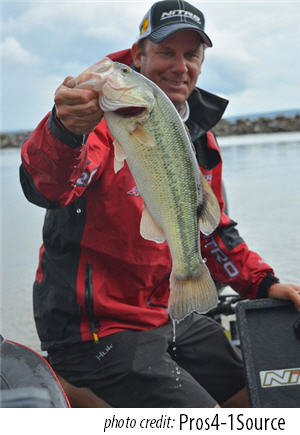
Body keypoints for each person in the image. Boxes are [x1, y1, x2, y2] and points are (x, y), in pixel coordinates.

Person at [20, 0, 300, 408]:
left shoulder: (199, 135)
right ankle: (72, 387)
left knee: (257, 393)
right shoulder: (92, 122)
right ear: (139, 55)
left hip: (169, 311)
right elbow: (48, 188)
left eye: (191, 55)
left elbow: (211, 229)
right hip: (98, 327)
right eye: (166, 52)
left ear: (202, 62)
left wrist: (262, 283)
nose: (179, 66)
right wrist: (64, 131)